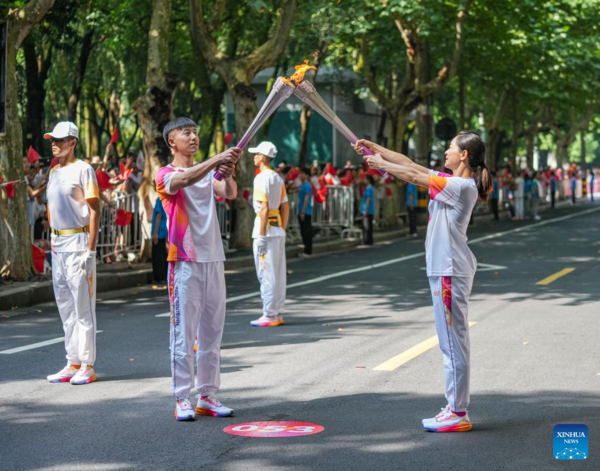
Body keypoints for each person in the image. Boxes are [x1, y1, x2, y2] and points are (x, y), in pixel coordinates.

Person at [354, 130, 493, 433]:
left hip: (449, 270)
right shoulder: (453, 183)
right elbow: (412, 166)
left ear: (464, 155)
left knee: (452, 344)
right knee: (452, 342)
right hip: (446, 269)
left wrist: (381, 164)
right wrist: (374, 148)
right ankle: (456, 409)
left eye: (450, 148)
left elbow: (413, 177)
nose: (446, 153)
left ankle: (457, 412)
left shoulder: (459, 186)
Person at [155, 117, 241, 421]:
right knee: (183, 333)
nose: (193, 137)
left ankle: (207, 395)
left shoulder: (206, 175)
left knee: (212, 334)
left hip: (214, 259)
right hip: (184, 263)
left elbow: (228, 193)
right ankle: (181, 398)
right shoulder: (165, 174)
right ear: (171, 142)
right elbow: (183, 181)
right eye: (185, 133)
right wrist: (216, 159)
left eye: (195, 132)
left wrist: (227, 173)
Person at [44, 122, 101, 385]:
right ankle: (72, 361)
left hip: (79, 243)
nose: (54, 143)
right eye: (52, 139)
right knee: (65, 307)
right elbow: (50, 206)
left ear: (73, 142)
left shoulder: (84, 169)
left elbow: (95, 210)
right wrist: (52, 237)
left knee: (83, 308)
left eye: (60, 139)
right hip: (58, 245)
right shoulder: (54, 171)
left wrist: (91, 250)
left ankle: (87, 365)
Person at [249, 141, 290, 327]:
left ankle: (270, 313)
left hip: (265, 229)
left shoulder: (260, 178)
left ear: (263, 157)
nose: (254, 156)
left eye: (256, 154)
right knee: (279, 273)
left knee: (266, 273)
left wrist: (262, 235)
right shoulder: (278, 178)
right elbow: (285, 205)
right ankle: (277, 312)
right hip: (278, 230)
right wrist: (283, 228)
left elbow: (264, 207)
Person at [151, 194, 168, 282]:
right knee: (162, 254)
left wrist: (155, 233)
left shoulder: (159, 199)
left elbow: (158, 215)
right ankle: (163, 276)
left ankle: (159, 277)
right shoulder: (164, 198)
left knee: (158, 256)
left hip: (159, 231)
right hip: (163, 230)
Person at [298, 167, 313, 256]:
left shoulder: (307, 185)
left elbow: (306, 198)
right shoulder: (302, 185)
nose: (300, 175)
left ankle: (308, 250)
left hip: (306, 212)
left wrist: (303, 211)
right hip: (302, 211)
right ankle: (306, 249)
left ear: (306, 175)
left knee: (306, 231)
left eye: (302, 173)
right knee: (304, 231)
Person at [361, 175, 375, 245]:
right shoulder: (369, 188)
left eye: (365, 179)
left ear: (368, 180)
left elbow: (368, 199)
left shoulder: (369, 188)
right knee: (368, 226)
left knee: (366, 226)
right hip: (369, 210)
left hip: (367, 210)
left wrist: (366, 210)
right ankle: (369, 240)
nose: (364, 180)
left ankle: (367, 240)